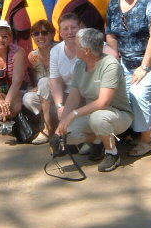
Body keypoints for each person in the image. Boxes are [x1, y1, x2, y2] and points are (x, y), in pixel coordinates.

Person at [56, 28, 133, 172]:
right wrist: (61, 126)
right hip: (91, 114)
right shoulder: (79, 65)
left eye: (76, 45)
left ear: (87, 50)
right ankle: (99, 140)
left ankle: (112, 153)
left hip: (117, 114)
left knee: (98, 118)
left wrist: (73, 114)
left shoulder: (110, 64)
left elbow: (103, 102)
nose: (73, 46)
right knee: (68, 133)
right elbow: (73, 96)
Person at [106, 0, 151, 156]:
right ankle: (146, 129)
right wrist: (115, 59)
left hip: (149, 62)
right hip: (124, 62)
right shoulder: (113, 4)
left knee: (138, 94)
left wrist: (144, 67)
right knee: (116, 95)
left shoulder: (148, 1)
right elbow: (110, 34)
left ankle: (146, 141)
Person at [22, 19, 56, 144]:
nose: (40, 36)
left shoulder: (60, 49)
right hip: (47, 95)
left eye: (44, 33)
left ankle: (47, 127)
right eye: (36, 34)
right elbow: (35, 77)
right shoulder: (33, 56)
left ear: (52, 34)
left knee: (44, 82)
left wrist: (42, 84)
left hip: (63, 93)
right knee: (28, 98)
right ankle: (51, 121)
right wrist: (36, 87)